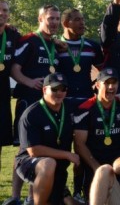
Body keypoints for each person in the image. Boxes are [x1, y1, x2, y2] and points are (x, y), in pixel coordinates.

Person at [8, 4, 61, 205]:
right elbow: (14, 68)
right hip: (28, 101)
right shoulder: (29, 41)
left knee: (41, 148)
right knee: (24, 149)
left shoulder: (56, 44)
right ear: (40, 19)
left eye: (57, 19)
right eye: (50, 18)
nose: (54, 22)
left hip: (48, 104)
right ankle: (15, 196)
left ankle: (32, 197)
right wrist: (29, 82)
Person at [73, 68, 120, 200]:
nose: (111, 87)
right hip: (93, 163)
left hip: (118, 163)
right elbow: (79, 144)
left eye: (114, 83)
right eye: (106, 83)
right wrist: (96, 168)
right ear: (98, 85)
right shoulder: (85, 109)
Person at [15, 73, 79, 205]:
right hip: (28, 162)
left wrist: (119, 97)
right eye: (54, 89)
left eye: (63, 89)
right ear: (44, 90)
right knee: (48, 163)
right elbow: (34, 150)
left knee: (67, 202)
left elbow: (95, 101)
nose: (59, 93)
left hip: (58, 168)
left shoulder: (69, 106)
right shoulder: (31, 114)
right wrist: (67, 154)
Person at [57, 8, 104, 100]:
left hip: (87, 98)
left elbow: (103, 72)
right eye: (77, 20)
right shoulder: (55, 46)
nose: (82, 23)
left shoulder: (92, 46)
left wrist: (99, 88)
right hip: (62, 100)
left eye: (83, 19)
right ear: (65, 23)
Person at [0, 0, 22, 181]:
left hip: (2, 98)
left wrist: (55, 40)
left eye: (5, 10)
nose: (2, 13)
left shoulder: (13, 35)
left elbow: (34, 41)